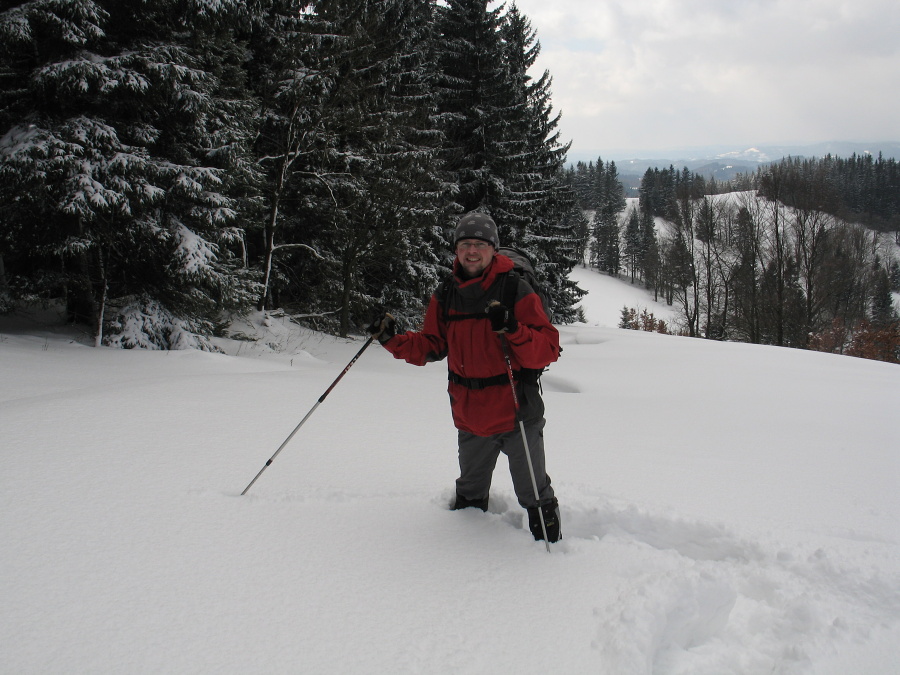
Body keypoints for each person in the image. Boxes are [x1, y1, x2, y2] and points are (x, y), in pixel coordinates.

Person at [367, 212, 562, 542]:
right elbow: (432, 344)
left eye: (480, 244)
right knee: (469, 495)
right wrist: (390, 339)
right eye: (465, 244)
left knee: (533, 491)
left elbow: (547, 349)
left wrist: (513, 329)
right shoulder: (446, 294)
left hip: (516, 411)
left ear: (493, 249)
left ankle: (550, 555)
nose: (472, 251)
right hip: (470, 414)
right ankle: (464, 556)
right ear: (456, 250)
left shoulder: (516, 289)